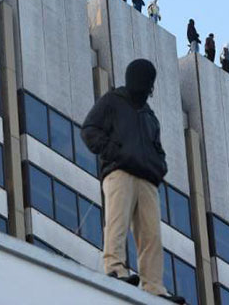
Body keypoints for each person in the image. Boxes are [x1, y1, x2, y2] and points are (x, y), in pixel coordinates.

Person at [82, 59, 186, 304]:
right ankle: (115, 269)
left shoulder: (150, 116)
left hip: (147, 180)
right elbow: (89, 129)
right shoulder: (112, 101)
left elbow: (158, 149)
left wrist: (158, 167)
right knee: (117, 221)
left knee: (152, 236)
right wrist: (114, 152)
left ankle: (154, 287)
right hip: (120, 173)